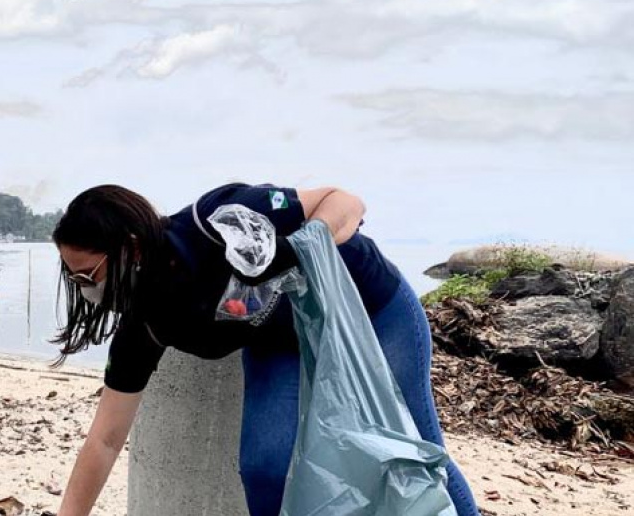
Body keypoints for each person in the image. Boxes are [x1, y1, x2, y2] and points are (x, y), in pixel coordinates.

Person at [52, 182, 479, 516]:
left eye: (89, 275)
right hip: (282, 347)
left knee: (416, 453)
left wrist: (303, 243)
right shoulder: (145, 324)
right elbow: (105, 439)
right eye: (76, 282)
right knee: (265, 467)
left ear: (131, 248)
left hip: (370, 315)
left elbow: (344, 201)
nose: (86, 290)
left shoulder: (217, 223)